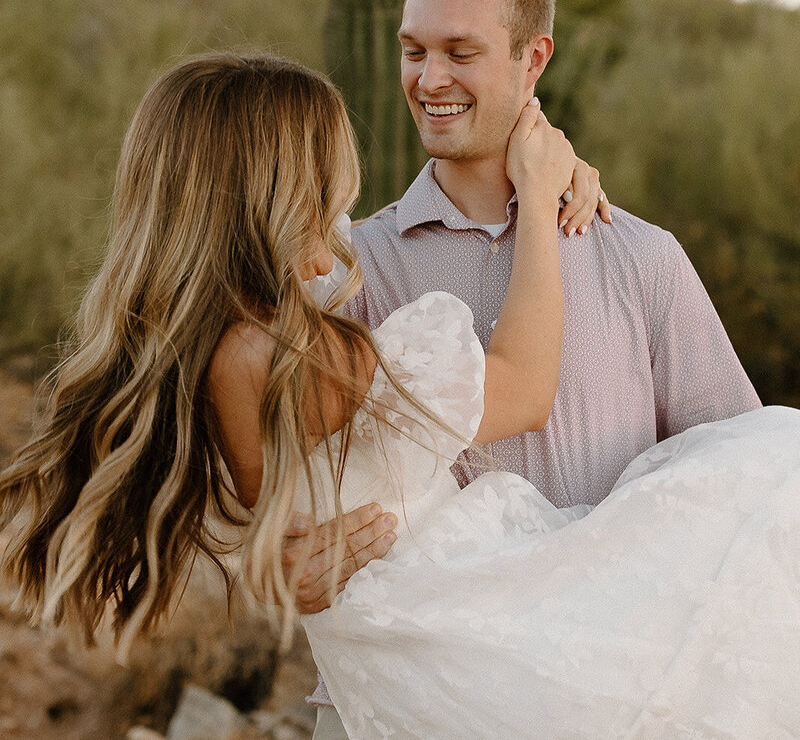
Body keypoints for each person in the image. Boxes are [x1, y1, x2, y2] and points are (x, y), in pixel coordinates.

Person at [1, 52, 797, 740]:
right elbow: (521, 389)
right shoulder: (283, 351)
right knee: (770, 474)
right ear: (279, 186)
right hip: (464, 626)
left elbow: (272, 524)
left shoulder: (219, 343)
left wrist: (552, 174)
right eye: (326, 169)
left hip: (401, 646)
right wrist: (540, 209)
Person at [290, 0, 763, 738]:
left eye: (460, 53)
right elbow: (284, 486)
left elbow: (738, 485)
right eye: (414, 51)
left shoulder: (641, 259)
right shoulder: (348, 269)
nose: (429, 80)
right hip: (402, 707)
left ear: (532, 58)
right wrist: (284, 566)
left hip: (609, 706)